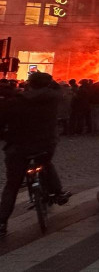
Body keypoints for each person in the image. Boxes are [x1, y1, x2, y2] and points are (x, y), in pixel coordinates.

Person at [0, 73, 71, 237]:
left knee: (12, 185)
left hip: (18, 147)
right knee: (46, 162)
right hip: (45, 143)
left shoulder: (16, 102)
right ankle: (58, 192)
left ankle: (2, 222)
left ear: (29, 84)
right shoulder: (53, 98)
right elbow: (57, 88)